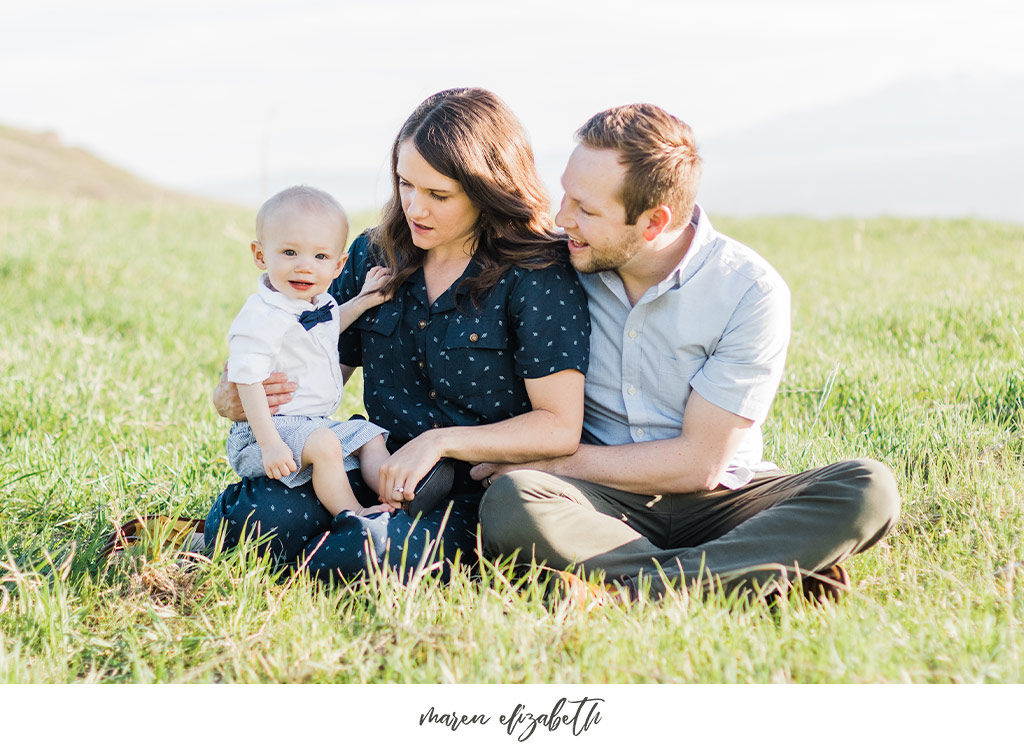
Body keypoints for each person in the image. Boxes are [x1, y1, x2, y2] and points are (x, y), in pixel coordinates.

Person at [473, 103, 901, 602]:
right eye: (564, 195)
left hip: (723, 500)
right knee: (512, 501)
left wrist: (556, 466)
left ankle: (626, 591)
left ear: (654, 222)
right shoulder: (555, 265)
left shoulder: (749, 290)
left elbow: (699, 464)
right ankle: (749, 572)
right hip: (601, 502)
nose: (561, 218)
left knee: (869, 488)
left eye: (586, 209)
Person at [207, 88, 590, 582]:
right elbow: (313, 367)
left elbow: (559, 426)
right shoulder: (372, 254)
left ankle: (341, 553)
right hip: (371, 468)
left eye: (438, 195)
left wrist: (440, 442)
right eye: (406, 184)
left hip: (476, 489)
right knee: (254, 523)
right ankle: (316, 545)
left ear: (487, 190)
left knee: (366, 557)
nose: (415, 208)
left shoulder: (538, 275)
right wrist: (232, 396)